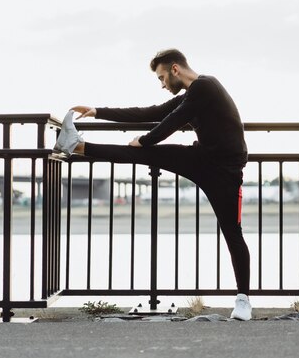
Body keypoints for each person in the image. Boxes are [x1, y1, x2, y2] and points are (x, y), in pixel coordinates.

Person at [54, 49, 252, 320]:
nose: (161, 84)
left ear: (174, 70)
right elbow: (150, 112)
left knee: (232, 233)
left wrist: (145, 140)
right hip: (201, 158)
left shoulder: (205, 86)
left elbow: (172, 122)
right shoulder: (190, 94)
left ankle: (243, 301)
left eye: (161, 77)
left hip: (226, 172)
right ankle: (75, 145)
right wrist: (98, 111)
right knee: (140, 154)